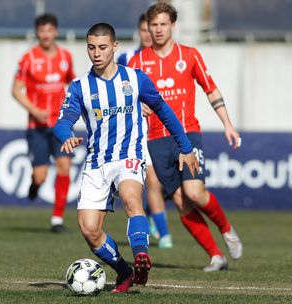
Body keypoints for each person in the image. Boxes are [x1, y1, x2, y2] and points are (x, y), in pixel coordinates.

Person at [53, 23, 199, 293]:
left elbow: (164, 110)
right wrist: (66, 136)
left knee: (132, 199)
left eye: (103, 47)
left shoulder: (135, 78)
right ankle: (125, 271)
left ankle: (141, 255)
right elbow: (62, 122)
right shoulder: (79, 87)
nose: (96, 53)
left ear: (115, 47)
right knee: (89, 230)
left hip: (128, 155)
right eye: (91, 47)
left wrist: (186, 147)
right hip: (96, 161)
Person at [129, 2, 243, 272]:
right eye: (153, 25)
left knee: (194, 192)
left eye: (163, 24)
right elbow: (126, 98)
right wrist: (137, 104)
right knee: (181, 202)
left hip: (187, 134)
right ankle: (216, 256)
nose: (158, 30)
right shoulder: (137, 62)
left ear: (173, 26)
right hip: (156, 139)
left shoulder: (189, 55)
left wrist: (228, 124)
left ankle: (226, 229)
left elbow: (210, 89)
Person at [12, 13, 75, 233]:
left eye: (49, 30)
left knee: (64, 166)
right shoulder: (28, 58)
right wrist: (33, 110)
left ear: (55, 32)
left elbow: (72, 86)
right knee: (41, 175)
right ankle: (35, 184)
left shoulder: (66, 57)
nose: (46, 35)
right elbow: (15, 90)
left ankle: (57, 219)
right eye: (42, 31)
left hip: (60, 124)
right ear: (37, 33)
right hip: (36, 127)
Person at [118, 13, 173, 249]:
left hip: (162, 131)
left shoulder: (165, 59)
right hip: (138, 133)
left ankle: (152, 221)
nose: (149, 34)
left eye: (152, 29)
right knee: (152, 182)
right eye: (144, 30)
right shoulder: (127, 58)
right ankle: (165, 234)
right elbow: (117, 90)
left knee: (160, 184)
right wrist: (135, 104)